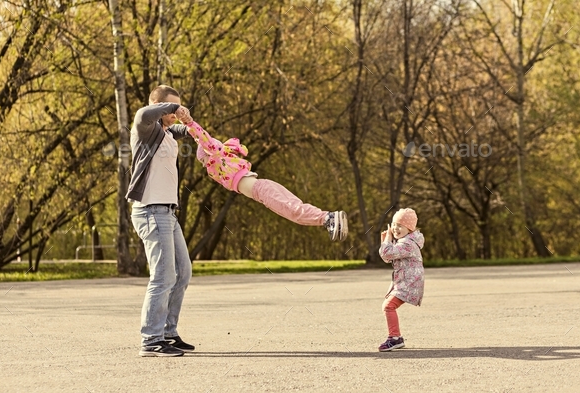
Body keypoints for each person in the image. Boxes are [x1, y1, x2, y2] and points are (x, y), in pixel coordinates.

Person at [174, 113, 348, 241]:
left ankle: (328, 218)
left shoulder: (216, 155)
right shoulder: (220, 160)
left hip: (261, 190)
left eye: (204, 160)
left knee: (293, 210)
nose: (205, 165)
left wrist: (189, 123)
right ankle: (327, 218)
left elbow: (205, 141)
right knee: (294, 209)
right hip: (261, 190)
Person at [126, 85, 196, 357]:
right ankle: (151, 340)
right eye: (170, 107)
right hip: (150, 211)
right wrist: (171, 109)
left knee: (183, 272)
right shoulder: (146, 128)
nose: (175, 113)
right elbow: (144, 113)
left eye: (178, 107)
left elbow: (183, 130)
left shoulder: (167, 133)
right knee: (163, 275)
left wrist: (200, 134)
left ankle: (168, 332)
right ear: (158, 105)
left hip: (167, 212)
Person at [378, 208, 424, 351]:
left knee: (388, 306)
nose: (395, 229)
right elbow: (387, 257)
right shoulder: (405, 241)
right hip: (406, 281)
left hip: (409, 283)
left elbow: (386, 252)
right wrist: (388, 241)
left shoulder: (407, 243)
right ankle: (396, 337)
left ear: (409, 228)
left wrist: (387, 240)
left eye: (400, 226)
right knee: (388, 306)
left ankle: (395, 338)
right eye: (393, 224)